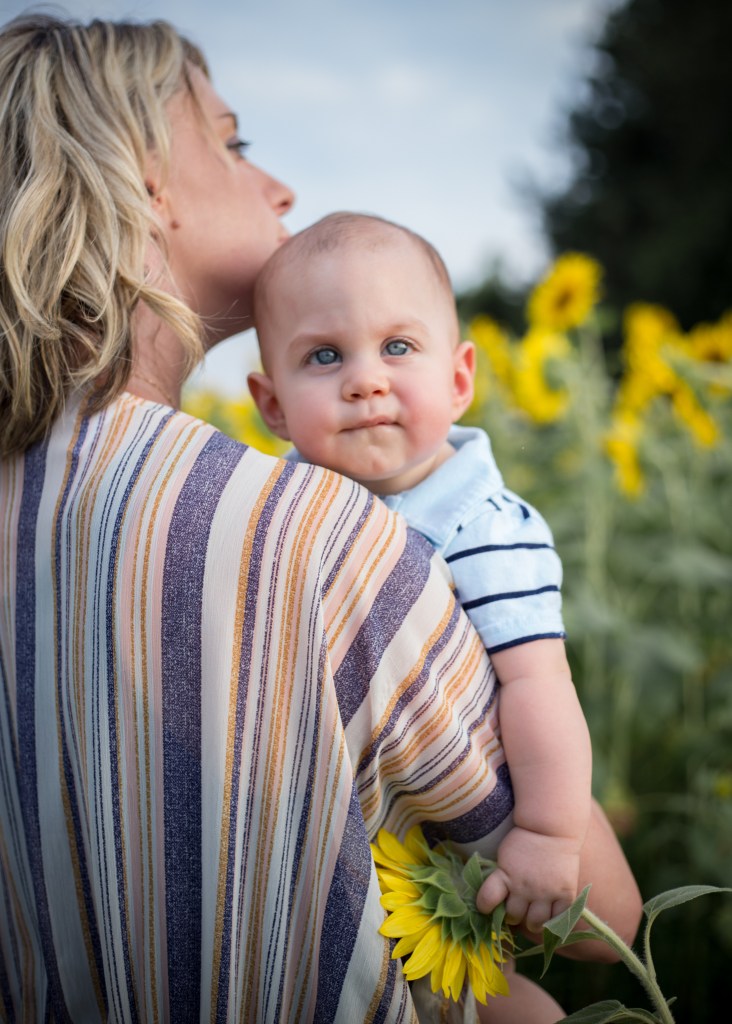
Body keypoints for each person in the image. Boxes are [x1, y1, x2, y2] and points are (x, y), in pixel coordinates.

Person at [0, 13, 640, 1022]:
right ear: (141, 176)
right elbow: (605, 917)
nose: (280, 186)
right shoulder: (309, 531)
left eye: (397, 348)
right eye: (232, 139)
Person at [248, 212, 642, 1019]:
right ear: (272, 404)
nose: (366, 379)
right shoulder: (277, 511)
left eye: (398, 347)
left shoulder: (480, 526)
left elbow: (538, 684)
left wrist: (550, 835)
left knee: (517, 1009)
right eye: (325, 356)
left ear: (460, 378)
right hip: (333, 851)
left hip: (462, 850)